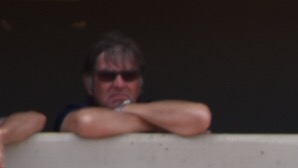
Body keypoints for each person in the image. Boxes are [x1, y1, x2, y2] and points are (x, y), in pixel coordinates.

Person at [54, 32, 211, 138]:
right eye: (107, 76)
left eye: (129, 75)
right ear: (89, 84)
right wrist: (165, 124)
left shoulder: (149, 110)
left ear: (140, 82)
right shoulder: (73, 111)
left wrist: (127, 109)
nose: (119, 84)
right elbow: (86, 122)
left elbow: (199, 117)